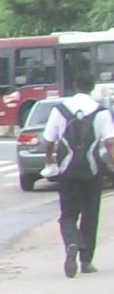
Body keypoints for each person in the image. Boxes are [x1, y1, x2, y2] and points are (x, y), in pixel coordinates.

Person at [41, 91, 114, 276]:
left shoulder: (60, 110)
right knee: (91, 216)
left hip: (67, 172)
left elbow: (49, 140)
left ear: (74, 86)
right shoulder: (101, 112)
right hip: (93, 172)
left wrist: (49, 160)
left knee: (67, 215)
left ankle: (72, 243)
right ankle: (86, 261)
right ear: (91, 88)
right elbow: (110, 143)